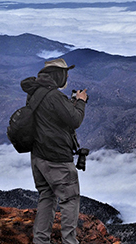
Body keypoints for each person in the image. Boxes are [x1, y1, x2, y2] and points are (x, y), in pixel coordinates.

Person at [20, 58, 88, 244]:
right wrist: (81, 102)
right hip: (56, 158)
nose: (66, 77)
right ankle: (69, 242)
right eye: (65, 73)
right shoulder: (53, 96)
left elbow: (53, 118)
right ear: (58, 75)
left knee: (47, 196)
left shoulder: (35, 92)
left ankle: (40, 241)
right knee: (70, 199)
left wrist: (70, 104)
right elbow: (74, 120)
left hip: (38, 156)